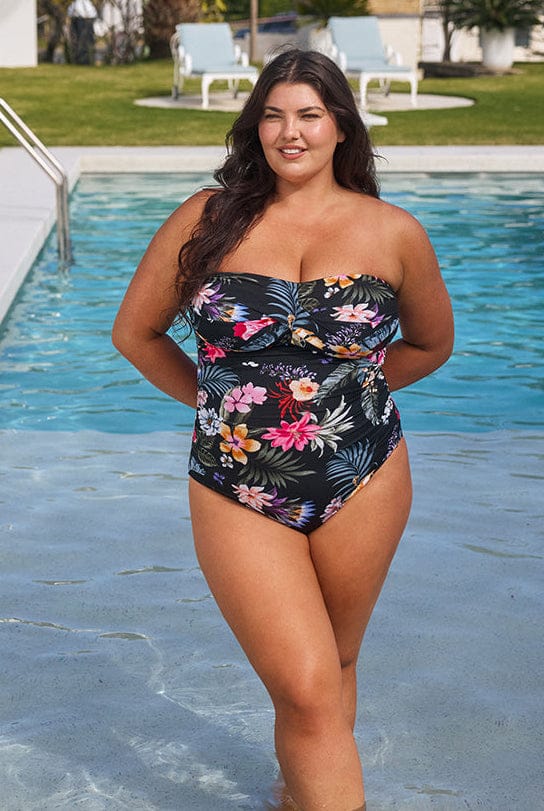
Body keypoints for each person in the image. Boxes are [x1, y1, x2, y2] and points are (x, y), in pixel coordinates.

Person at [112, 49, 453, 811]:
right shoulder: (205, 217)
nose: (288, 132)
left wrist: (337, 396)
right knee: (304, 686)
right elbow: (136, 334)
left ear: (340, 127)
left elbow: (431, 345)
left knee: (334, 664)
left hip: (364, 472)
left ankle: (299, 795)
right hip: (235, 481)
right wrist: (224, 403)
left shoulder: (393, 231)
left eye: (308, 114)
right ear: (254, 125)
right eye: (272, 114)